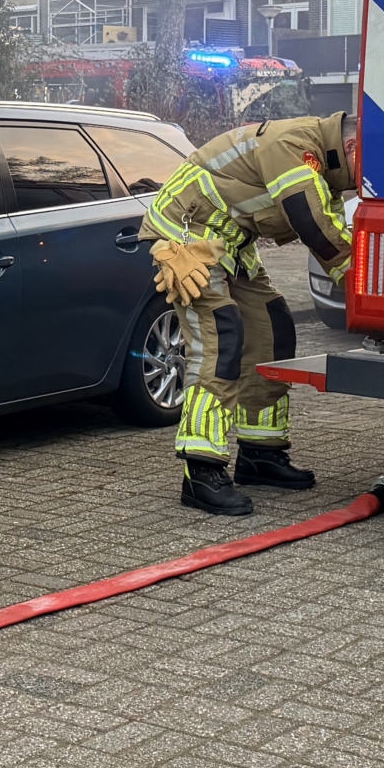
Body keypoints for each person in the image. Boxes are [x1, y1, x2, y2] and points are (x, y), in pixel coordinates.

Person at [140, 111, 355, 515]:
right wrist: (361, 286)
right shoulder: (294, 146)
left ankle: (261, 455)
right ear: (351, 148)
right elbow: (311, 223)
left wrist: (358, 282)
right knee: (221, 337)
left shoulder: (327, 171)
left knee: (273, 327)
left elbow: (335, 230)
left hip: (230, 243)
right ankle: (200, 470)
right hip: (187, 237)